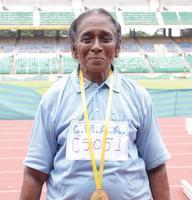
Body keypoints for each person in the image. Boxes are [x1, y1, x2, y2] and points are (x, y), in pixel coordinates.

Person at [20, 8, 171, 200]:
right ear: (74, 49)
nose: (96, 46)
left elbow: (156, 166)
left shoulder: (139, 97)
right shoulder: (52, 99)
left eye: (106, 38)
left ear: (117, 47)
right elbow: (35, 173)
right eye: (87, 38)